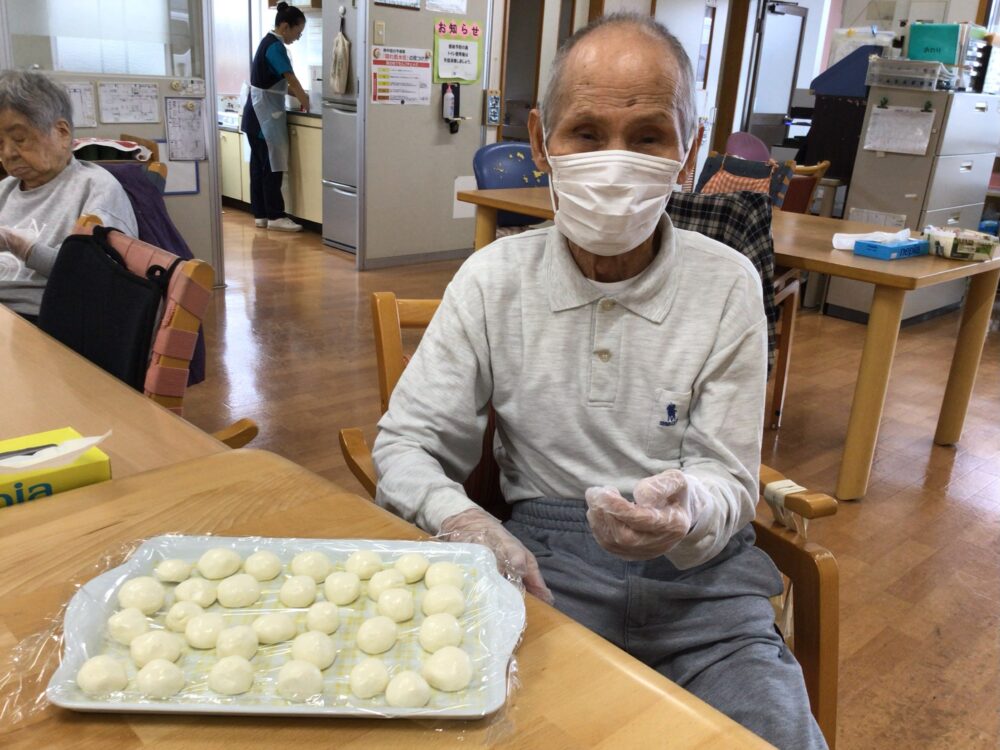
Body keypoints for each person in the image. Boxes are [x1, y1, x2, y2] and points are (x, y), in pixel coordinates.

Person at [371, 13, 826, 750]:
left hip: (708, 593)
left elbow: (729, 478)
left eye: (649, 136)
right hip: (545, 578)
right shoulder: (493, 279)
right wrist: (462, 520)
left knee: (773, 734)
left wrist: (688, 511)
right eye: (585, 132)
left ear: (691, 154)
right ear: (542, 141)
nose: (616, 161)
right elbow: (409, 442)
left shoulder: (729, 284)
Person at [0, 70, 137, 322]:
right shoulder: (5, 189)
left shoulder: (95, 189)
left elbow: (98, 280)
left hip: (49, 321)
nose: (8, 153)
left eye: (20, 139)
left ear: (62, 133)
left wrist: (22, 247)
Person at [242, 1, 309, 233]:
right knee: (271, 165)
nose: (298, 37)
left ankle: (261, 214)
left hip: (255, 114)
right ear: (284, 26)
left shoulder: (267, 43)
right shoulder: (276, 47)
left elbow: (277, 85)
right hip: (264, 117)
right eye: (297, 32)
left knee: (259, 166)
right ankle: (276, 216)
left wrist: (301, 95)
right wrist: (306, 100)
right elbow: (290, 78)